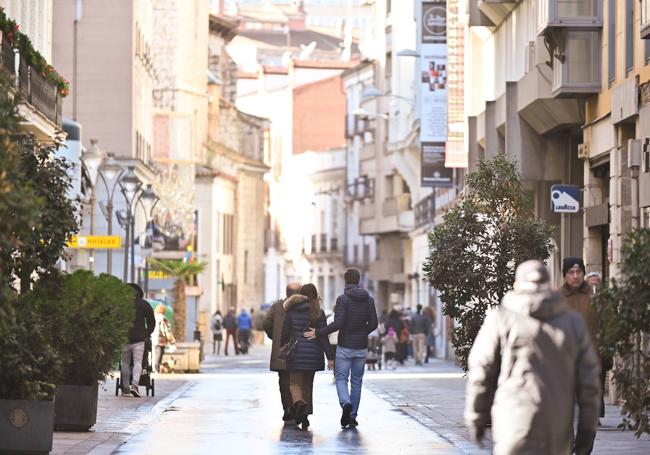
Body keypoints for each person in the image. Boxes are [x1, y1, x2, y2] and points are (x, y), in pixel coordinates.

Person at [465, 260, 600, 455]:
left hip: (512, 423)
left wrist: (476, 418)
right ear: (550, 284)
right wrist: (586, 433)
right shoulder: (572, 322)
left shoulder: (500, 319)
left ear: (516, 285)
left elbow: (481, 371)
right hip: (557, 427)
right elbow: (590, 383)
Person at [305, 267, 378, 429]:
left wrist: (318, 332)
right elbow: (374, 323)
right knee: (357, 381)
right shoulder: (369, 299)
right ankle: (352, 416)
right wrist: (362, 332)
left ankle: (346, 404)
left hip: (345, 345)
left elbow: (338, 323)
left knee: (341, 378)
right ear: (358, 280)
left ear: (346, 281)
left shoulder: (343, 299)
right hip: (361, 346)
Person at [561, 258, 609, 422]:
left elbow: (610, 322)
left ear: (583, 273)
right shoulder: (556, 298)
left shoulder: (597, 297)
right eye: (571, 272)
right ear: (565, 275)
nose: (575, 276)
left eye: (579, 272)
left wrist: (604, 346)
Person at [282, 283, 333, 430]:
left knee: (294, 384)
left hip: (296, 354)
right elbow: (323, 337)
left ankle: (298, 403)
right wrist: (330, 357)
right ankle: (305, 417)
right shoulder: (319, 312)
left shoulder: (291, 311)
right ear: (315, 295)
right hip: (313, 355)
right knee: (307, 385)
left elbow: (285, 333)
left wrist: (282, 345)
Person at [264, 282, 302, 423]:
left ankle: (287, 408)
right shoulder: (305, 306)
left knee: (284, 381)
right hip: (300, 351)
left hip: (282, 351)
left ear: (286, 293)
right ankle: (298, 407)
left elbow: (266, 323)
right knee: (299, 381)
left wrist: (275, 337)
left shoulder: (277, 307)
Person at [121, 283, 155, 397]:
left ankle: (125, 387)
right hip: (139, 339)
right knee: (138, 362)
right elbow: (151, 322)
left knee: (125, 362)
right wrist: (147, 333)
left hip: (124, 337)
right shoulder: (144, 304)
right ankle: (134, 385)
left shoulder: (122, 304)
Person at [152, 304, 175, 373]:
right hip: (161, 339)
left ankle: (156, 368)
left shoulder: (154, 317)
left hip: (154, 338)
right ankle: (157, 368)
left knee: (156, 353)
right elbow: (165, 329)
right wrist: (168, 337)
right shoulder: (162, 318)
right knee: (160, 354)